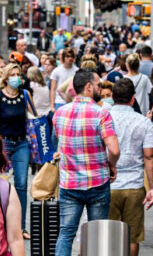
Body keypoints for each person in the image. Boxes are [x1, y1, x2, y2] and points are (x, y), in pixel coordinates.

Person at [52, 69, 120, 256]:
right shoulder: (102, 114)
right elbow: (114, 149)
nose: (100, 88)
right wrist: (111, 165)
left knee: (65, 233)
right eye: (98, 85)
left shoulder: (59, 113)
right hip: (97, 182)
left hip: (69, 183)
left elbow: (58, 144)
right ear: (89, 87)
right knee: (96, 237)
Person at [0, 63, 37, 239]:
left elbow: (35, 119)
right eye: (13, 74)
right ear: (7, 78)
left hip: (22, 143)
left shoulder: (25, 95)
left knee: (22, 184)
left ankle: (21, 227)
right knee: (2, 186)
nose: (17, 77)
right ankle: (0, 225)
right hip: (4, 144)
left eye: (19, 74)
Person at [108, 78, 153, 256]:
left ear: (113, 97)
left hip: (108, 184)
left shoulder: (104, 117)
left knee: (108, 235)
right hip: (134, 185)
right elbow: (149, 156)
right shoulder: (143, 122)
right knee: (132, 237)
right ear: (133, 98)